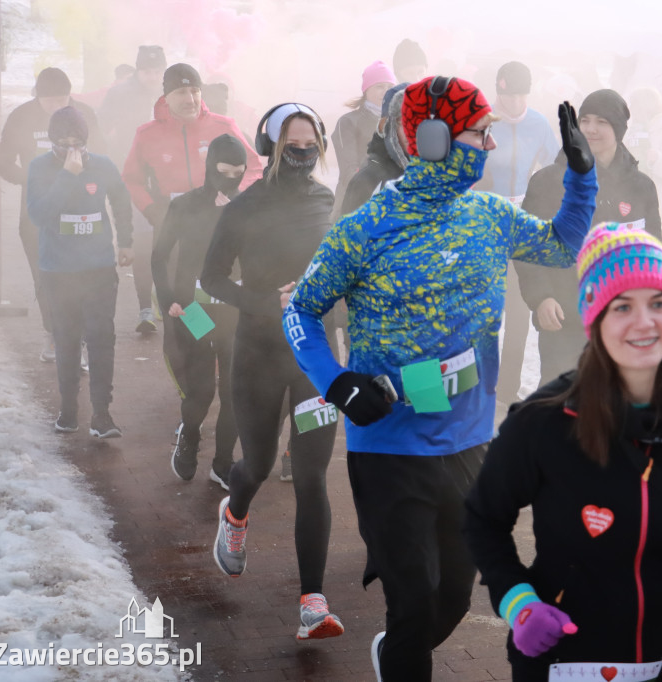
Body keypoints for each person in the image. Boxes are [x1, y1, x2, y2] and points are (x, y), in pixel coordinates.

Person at [281, 76, 598, 680]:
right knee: (413, 601)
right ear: (434, 140)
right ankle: (402, 653)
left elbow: (562, 246)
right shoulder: (364, 228)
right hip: (389, 448)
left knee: (452, 595)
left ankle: (397, 653)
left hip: (468, 442)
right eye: (479, 134)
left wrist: (582, 177)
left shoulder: (490, 216)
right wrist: (337, 382)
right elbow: (301, 311)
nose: (490, 146)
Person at [464, 222, 662, 681]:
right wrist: (519, 602)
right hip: (564, 657)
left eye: (659, 303)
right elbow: (482, 519)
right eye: (622, 306)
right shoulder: (542, 421)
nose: (644, 322)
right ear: (595, 318)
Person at [202, 104, 342, 640]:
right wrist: (266, 302)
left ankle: (313, 602)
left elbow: (339, 266)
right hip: (258, 353)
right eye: (293, 147)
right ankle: (235, 513)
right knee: (258, 464)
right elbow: (212, 278)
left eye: (311, 146)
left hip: (315, 359)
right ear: (270, 148)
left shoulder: (326, 200)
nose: (303, 155)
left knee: (311, 475)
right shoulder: (245, 206)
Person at [517, 88, 661, 386]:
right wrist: (541, 298)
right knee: (561, 400)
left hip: (622, 320)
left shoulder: (641, 187)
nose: (591, 129)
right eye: (585, 120)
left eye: (602, 122)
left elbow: (652, 253)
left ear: (619, 130)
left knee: (618, 400)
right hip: (564, 318)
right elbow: (529, 248)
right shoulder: (549, 182)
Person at [122, 63, 263, 334]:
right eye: (181, 93)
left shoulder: (223, 126)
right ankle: (192, 341)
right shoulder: (147, 134)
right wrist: (150, 209)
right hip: (172, 221)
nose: (190, 99)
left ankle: (216, 344)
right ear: (166, 97)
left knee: (215, 288)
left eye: (195, 91)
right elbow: (131, 178)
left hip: (217, 221)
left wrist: (234, 196)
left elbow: (255, 167)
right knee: (180, 295)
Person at [26, 106, 132, 437]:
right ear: (52, 141)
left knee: (101, 338)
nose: (72, 149)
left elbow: (121, 201)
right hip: (58, 271)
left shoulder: (102, 165)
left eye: (78, 142)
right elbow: (39, 215)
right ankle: (68, 411)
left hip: (98, 268)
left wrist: (126, 242)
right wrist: (67, 176)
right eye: (63, 143)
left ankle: (102, 415)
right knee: (67, 339)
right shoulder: (40, 167)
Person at [151, 133, 248, 489]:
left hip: (235, 311)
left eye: (238, 172)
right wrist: (168, 299)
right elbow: (159, 256)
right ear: (210, 167)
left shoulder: (248, 205)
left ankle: (223, 462)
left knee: (234, 392)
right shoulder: (186, 205)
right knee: (202, 390)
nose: (231, 179)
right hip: (193, 310)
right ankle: (190, 434)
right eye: (224, 171)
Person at [0, 67, 105, 362]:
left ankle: (78, 337)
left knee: (81, 275)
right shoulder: (22, 116)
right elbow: (0, 160)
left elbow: (104, 155)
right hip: (37, 214)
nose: (57, 106)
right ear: (37, 97)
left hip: (80, 212)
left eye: (62, 99)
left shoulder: (84, 115)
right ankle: (54, 333)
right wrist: (28, 179)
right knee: (46, 276)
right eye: (50, 100)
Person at [477, 60, 558, 405]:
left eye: (522, 96)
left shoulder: (538, 124)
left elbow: (557, 168)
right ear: (498, 92)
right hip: (483, 230)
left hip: (521, 229)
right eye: (508, 96)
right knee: (484, 311)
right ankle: (479, 384)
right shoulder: (480, 121)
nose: (515, 104)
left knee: (520, 309)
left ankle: (507, 387)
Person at [331, 60, 397, 218]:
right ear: (366, 89)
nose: (385, 92)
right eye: (379, 86)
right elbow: (349, 170)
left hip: (390, 209)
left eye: (389, 87)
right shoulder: (348, 122)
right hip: (352, 208)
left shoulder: (398, 122)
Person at [624, 87, 662, 248]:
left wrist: (657, 158)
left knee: (659, 246)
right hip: (633, 194)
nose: (631, 109)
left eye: (635, 105)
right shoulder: (633, 127)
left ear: (646, 106)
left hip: (660, 199)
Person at [339, 82, 409, 215]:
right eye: (401, 122)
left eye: (417, 119)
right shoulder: (366, 182)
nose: (410, 129)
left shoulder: (438, 175)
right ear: (385, 126)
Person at [99, 45, 166, 168]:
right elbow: (103, 126)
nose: (153, 77)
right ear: (138, 71)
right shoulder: (118, 94)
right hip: (126, 159)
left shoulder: (172, 92)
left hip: (166, 160)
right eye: (147, 72)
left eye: (158, 72)